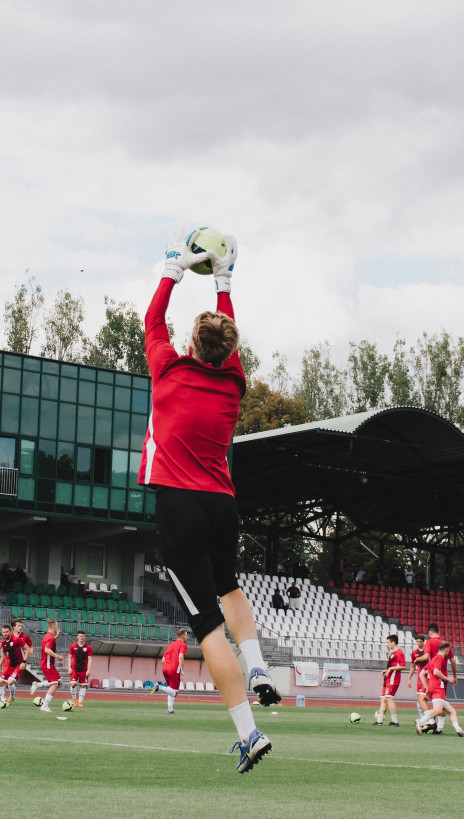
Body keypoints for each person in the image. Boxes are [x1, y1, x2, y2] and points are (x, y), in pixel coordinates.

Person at [138, 228, 276, 774]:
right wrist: (224, 280)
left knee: (207, 628)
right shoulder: (235, 382)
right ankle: (260, 667)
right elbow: (228, 338)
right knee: (230, 586)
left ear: (191, 346)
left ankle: (249, 733)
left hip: (179, 506)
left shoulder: (168, 369)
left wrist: (172, 271)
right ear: (229, 352)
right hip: (222, 504)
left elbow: (152, 322)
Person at [415, 642, 464, 737]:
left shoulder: (432, 660)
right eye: (449, 650)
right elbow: (436, 672)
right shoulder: (439, 658)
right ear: (446, 649)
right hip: (439, 687)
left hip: (433, 688)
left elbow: (421, 674)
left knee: (452, 711)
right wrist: (448, 679)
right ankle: (421, 721)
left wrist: (427, 688)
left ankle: (458, 729)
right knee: (438, 710)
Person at [152, 628, 189, 714]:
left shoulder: (171, 644)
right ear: (183, 636)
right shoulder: (183, 645)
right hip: (174, 669)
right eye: (187, 635)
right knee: (175, 692)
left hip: (165, 669)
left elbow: (163, 660)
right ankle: (159, 687)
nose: (187, 637)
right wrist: (182, 670)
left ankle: (170, 709)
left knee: (170, 689)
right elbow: (180, 657)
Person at [0, 622, 27, 708]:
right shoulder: (4, 641)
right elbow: (4, 654)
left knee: (10, 681)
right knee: (0, 682)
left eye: (6, 632)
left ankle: (12, 697)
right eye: (3, 632)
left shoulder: (17, 639)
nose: (5, 634)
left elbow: (28, 649)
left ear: (10, 631)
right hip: (10, 665)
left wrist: (24, 662)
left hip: (19, 665)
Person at [374, 634, 405, 726]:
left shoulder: (399, 653)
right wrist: (386, 670)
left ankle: (395, 721)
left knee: (388, 698)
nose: (387, 645)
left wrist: (391, 669)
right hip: (388, 679)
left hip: (393, 679)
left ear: (393, 642)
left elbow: (403, 666)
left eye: (388, 643)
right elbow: (393, 665)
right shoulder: (393, 653)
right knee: (383, 699)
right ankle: (379, 721)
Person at [38, 619, 62, 712]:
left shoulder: (48, 636)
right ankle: (44, 706)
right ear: (53, 627)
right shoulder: (50, 637)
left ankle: (39, 685)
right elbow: (47, 650)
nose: (57, 627)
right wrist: (57, 656)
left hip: (49, 664)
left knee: (59, 682)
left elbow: (48, 643)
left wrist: (56, 636)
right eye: (56, 625)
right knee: (55, 685)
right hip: (47, 664)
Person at [407, 634, 429, 727]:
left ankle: (430, 718)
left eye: (420, 641)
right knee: (419, 700)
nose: (419, 643)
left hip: (428, 677)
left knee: (424, 699)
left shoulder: (427, 651)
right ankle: (423, 720)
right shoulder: (414, 653)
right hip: (420, 678)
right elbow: (412, 667)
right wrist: (409, 679)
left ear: (423, 642)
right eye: (417, 642)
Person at [68, 630, 93, 707]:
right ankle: (74, 700)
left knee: (83, 685)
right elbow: (70, 657)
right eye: (80, 636)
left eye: (83, 636)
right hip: (74, 668)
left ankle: (80, 702)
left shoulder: (88, 647)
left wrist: (89, 670)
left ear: (84, 637)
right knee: (73, 684)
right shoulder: (73, 646)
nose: (81, 637)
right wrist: (69, 668)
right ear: (77, 637)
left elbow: (90, 659)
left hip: (84, 669)